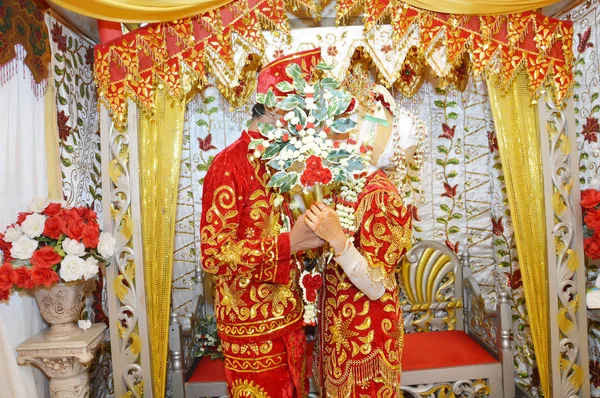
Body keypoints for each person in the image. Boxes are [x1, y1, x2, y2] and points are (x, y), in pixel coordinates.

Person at [200, 48, 325, 398]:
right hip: (251, 332)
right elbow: (213, 255)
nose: (306, 124)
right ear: (273, 107)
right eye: (300, 112)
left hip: (289, 323)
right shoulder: (229, 166)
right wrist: (288, 243)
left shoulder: (276, 165)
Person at [306, 85, 424, 398]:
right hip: (342, 333)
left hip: (368, 339)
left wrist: (337, 240)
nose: (335, 138)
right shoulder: (349, 189)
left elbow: (376, 285)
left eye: (346, 130)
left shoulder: (382, 196)